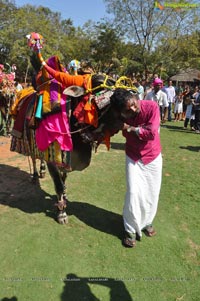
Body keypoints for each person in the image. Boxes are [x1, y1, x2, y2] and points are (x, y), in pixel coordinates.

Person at [110, 88, 162, 248]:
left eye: (132, 104)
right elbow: (119, 130)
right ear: (121, 112)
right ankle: (130, 229)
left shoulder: (151, 107)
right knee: (133, 192)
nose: (133, 109)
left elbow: (152, 133)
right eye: (127, 109)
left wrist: (131, 128)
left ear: (134, 97)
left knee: (151, 192)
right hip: (133, 156)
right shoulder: (121, 116)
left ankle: (147, 222)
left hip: (152, 156)